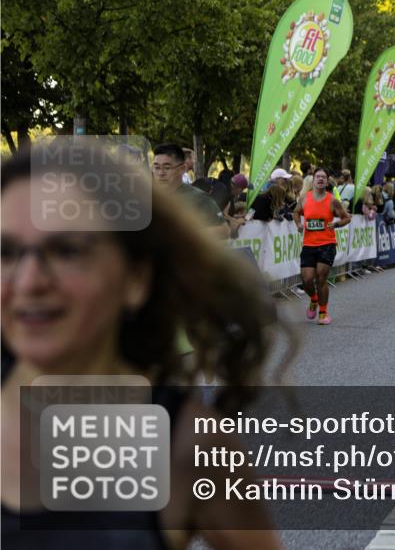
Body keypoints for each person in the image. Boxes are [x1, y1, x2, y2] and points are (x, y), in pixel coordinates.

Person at [1, 141, 284, 549]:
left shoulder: (190, 448)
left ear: (135, 278)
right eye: (6, 252)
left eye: (67, 251)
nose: (29, 282)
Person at [292, 168, 351, 326]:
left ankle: (323, 313)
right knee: (306, 279)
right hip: (309, 244)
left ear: (327, 181)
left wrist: (336, 223)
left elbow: (347, 218)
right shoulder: (305, 198)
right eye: (318, 177)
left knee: (320, 278)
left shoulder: (332, 200)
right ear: (313, 180)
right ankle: (313, 299)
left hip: (327, 244)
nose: (320, 179)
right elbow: (296, 212)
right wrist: (298, 224)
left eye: (323, 177)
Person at [152, 144, 229, 239]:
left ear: (182, 169)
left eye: (167, 168)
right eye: (157, 167)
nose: (160, 173)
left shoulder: (198, 198)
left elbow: (224, 230)